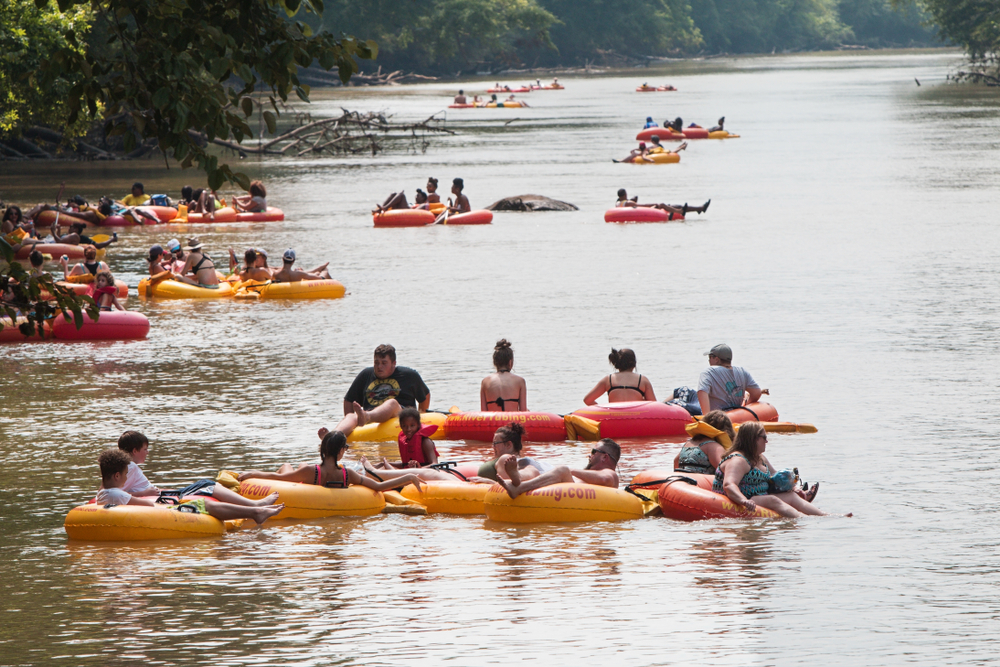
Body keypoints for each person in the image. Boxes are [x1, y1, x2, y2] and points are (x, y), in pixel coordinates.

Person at [96, 448, 285, 524]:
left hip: (156, 508)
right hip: (162, 511)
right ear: (117, 475)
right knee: (204, 504)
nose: (127, 477)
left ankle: (255, 510)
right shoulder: (117, 495)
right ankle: (255, 512)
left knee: (203, 500)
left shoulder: (104, 494)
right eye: (126, 475)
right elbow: (146, 505)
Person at [109, 430, 289, 508]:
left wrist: (147, 491)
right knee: (207, 484)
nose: (147, 453)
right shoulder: (130, 467)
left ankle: (250, 505)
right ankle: (254, 504)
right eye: (145, 449)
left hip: (159, 494)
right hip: (159, 499)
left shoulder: (127, 467)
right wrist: (146, 492)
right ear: (134, 451)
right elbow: (114, 492)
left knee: (205, 483)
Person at [238, 429, 426, 494]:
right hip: (328, 484)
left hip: (309, 480)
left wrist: (252, 474)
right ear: (340, 451)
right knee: (298, 467)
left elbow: (277, 478)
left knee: (287, 467)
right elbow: (378, 486)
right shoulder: (347, 474)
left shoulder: (311, 471)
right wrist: (408, 476)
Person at [714, 422, 839, 517]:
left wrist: (793, 487)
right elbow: (729, 484)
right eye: (764, 437)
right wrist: (744, 501)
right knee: (772, 500)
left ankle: (824, 516)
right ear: (754, 439)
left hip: (757, 496)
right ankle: (802, 519)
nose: (767, 441)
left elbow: (774, 476)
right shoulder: (738, 460)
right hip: (743, 499)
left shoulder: (759, 457)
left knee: (791, 496)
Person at [326, 344, 430, 438]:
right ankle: (331, 437)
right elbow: (348, 400)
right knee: (351, 416)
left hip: (399, 415)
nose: (379, 367)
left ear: (393, 363)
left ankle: (367, 416)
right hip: (369, 416)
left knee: (391, 403)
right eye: (376, 362)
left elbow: (425, 396)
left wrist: (420, 417)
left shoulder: (408, 375)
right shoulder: (366, 375)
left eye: (384, 363)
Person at [494, 439, 621, 499]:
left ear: (605, 457)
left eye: (594, 451)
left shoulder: (609, 473)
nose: (590, 455)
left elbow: (605, 479)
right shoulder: (588, 474)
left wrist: (571, 471)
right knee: (532, 469)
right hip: (554, 488)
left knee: (563, 470)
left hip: (574, 498)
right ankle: (516, 479)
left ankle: (518, 488)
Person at [466, 423, 548, 484]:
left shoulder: (505, 459)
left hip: (502, 485)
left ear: (509, 444)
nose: (493, 447)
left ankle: (518, 476)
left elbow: (507, 487)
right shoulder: (520, 462)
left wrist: (489, 482)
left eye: (495, 443)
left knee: (530, 470)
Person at [697, 344, 764, 415]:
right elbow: (756, 393)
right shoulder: (742, 371)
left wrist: (706, 417)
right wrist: (745, 405)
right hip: (737, 415)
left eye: (710, 357)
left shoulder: (708, 372)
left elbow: (701, 391)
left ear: (716, 359)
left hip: (717, 418)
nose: (709, 360)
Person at [583, 348, 656, 405]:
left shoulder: (608, 379)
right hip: (635, 418)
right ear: (634, 364)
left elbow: (587, 400)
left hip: (615, 418)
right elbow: (654, 405)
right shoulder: (642, 380)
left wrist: (604, 411)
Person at [480, 338, 527, 412]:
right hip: (512, 422)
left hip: (493, 423)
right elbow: (523, 412)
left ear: (495, 362)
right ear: (510, 362)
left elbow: (483, 412)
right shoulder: (520, 381)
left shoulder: (485, 382)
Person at [615, 189, 710, 217]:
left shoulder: (618, 203)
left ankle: (700, 208)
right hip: (646, 212)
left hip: (639, 211)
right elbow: (641, 205)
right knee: (662, 204)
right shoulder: (627, 203)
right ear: (624, 195)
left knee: (673, 206)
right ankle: (681, 211)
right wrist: (654, 204)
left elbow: (634, 201)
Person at [50, 221, 117, 249]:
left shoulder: (75, 236)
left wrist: (111, 240)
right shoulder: (68, 235)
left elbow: (59, 242)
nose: (69, 228)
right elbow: (58, 239)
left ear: (75, 230)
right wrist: (58, 230)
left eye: (71, 227)